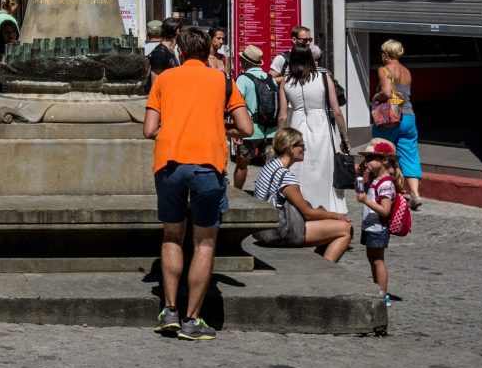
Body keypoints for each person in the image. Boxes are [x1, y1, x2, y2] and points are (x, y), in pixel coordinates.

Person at [143, 26, 253, 341]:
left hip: (169, 163)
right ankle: (192, 319)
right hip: (207, 164)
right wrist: (223, 125)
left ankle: (169, 310)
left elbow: (149, 129)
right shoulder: (222, 80)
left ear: (179, 51)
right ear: (208, 52)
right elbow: (246, 125)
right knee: (204, 242)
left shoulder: (164, 79)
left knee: (172, 236)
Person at [252, 128, 353, 261]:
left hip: (262, 230)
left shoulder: (269, 166)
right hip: (279, 232)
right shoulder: (285, 176)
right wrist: (338, 216)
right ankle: (324, 271)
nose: (304, 149)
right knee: (346, 229)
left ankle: (320, 264)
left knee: (326, 221)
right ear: (290, 148)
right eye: (302, 146)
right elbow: (307, 214)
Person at [277, 43, 349, 215]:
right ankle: (328, 209)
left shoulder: (285, 81)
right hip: (322, 126)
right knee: (324, 169)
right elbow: (337, 112)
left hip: (297, 126)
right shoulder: (323, 78)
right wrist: (344, 138)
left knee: (299, 170)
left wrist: (280, 140)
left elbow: (282, 116)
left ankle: (302, 210)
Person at [355, 137, 404, 305]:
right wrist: (361, 174)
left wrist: (366, 201)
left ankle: (383, 295)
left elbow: (385, 210)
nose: (366, 162)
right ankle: (377, 289)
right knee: (372, 259)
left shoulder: (386, 184)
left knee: (378, 260)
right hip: (370, 226)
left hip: (378, 227)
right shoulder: (376, 179)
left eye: (370, 158)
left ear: (383, 160)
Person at [375, 38, 423, 208]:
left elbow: (387, 93)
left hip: (390, 118)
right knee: (409, 153)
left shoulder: (384, 69)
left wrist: (375, 97)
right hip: (409, 116)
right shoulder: (407, 72)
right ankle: (415, 194)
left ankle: (390, 191)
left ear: (386, 54)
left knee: (382, 152)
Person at [231, 45, 278, 190]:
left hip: (250, 130)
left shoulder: (243, 79)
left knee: (242, 165)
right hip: (271, 129)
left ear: (244, 62)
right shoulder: (271, 79)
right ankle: (268, 193)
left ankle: (238, 193)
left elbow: (236, 103)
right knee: (271, 165)